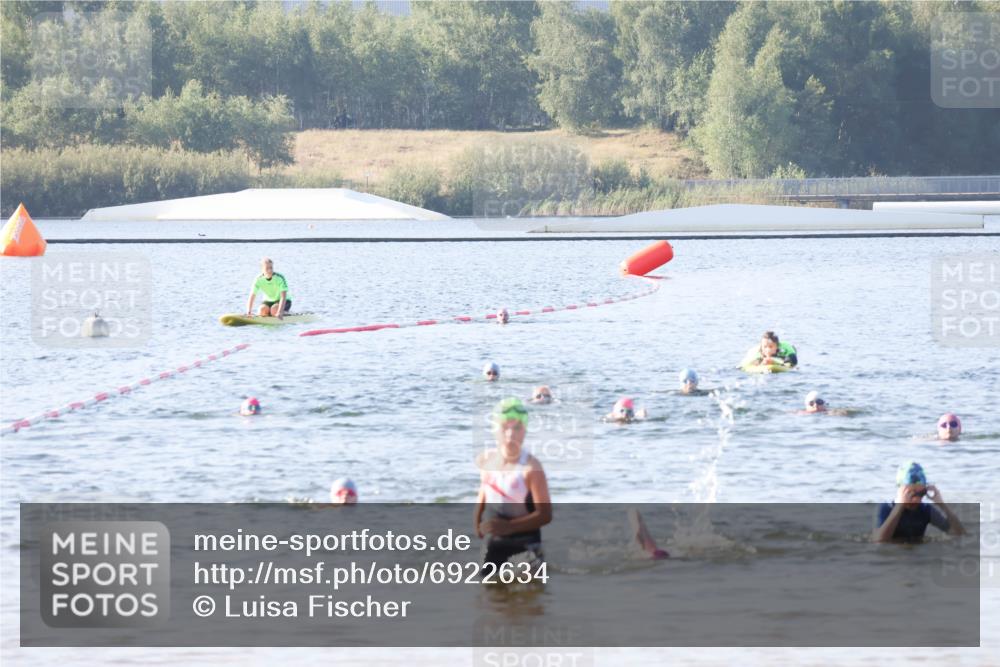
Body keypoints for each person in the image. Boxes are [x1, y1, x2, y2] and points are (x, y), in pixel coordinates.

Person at [474, 398, 552, 568]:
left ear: (524, 431)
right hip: (493, 543)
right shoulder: (486, 460)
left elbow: (545, 514)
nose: (510, 434)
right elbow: (484, 491)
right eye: (504, 427)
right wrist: (477, 521)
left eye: (517, 428)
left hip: (527, 545)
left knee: (531, 592)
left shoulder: (531, 468)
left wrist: (509, 527)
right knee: (486, 591)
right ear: (495, 429)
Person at [872, 462, 965, 544]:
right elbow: (879, 540)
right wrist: (900, 506)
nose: (917, 499)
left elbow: (959, 534)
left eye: (921, 494)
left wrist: (942, 505)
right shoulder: (886, 508)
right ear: (900, 490)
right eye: (912, 494)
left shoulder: (925, 510)